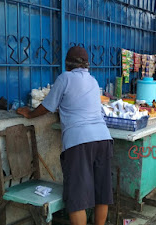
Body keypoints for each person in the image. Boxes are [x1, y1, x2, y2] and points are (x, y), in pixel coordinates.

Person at [17, 46, 113, 225]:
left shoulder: (64, 78)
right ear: (87, 65)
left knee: (77, 197)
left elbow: (47, 106)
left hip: (79, 142)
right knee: (102, 192)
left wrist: (29, 114)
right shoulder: (93, 81)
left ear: (67, 64)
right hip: (103, 138)